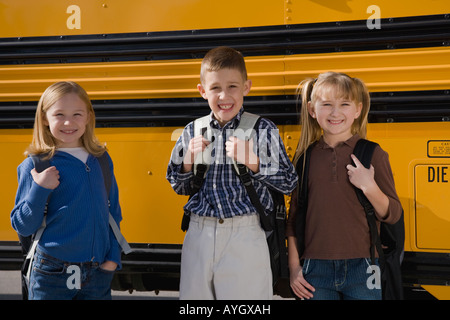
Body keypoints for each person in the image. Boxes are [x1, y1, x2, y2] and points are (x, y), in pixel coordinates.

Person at [166, 46, 298, 299]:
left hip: (245, 234)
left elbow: (289, 182)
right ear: (203, 91)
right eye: (215, 87)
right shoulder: (193, 130)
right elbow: (179, 186)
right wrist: (187, 162)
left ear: (246, 87)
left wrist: (254, 162)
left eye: (233, 87)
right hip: (199, 233)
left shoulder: (263, 129)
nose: (224, 95)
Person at [286, 72, 402, 300]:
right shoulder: (305, 158)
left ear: (357, 110)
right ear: (312, 109)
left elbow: (393, 213)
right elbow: (294, 218)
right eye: (327, 104)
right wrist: (293, 268)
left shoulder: (372, 154)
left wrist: (369, 186)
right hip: (314, 269)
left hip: (365, 267)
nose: (335, 112)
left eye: (344, 104)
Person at [11, 81, 123, 300]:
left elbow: (113, 212)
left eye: (77, 114)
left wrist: (113, 257)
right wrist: (39, 188)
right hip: (50, 271)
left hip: (97, 269)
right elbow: (22, 225)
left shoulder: (101, 159)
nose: (69, 122)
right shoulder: (35, 165)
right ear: (44, 118)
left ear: (89, 116)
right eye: (59, 114)